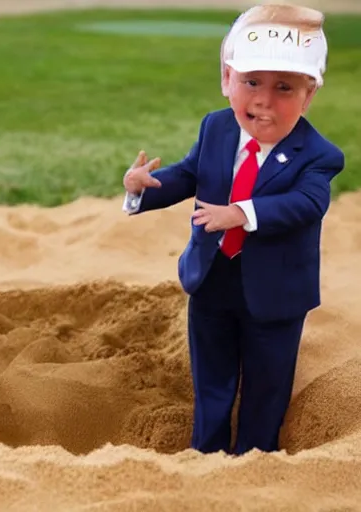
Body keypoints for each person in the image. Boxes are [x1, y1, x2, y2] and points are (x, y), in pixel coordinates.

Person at [122, 3, 345, 455]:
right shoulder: (217, 128)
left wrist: (240, 213)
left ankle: (255, 457)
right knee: (212, 378)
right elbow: (189, 174)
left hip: (275, 292)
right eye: (251, 82)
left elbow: (307, 203)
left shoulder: (318, 154)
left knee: (266, 385)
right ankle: (207, 452)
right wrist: (142, 189)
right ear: (227, 80)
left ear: (309, 95)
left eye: (284, 87)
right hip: (213, 278)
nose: (263, 100)